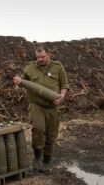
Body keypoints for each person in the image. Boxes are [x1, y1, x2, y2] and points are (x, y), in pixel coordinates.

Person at [13, 45, 69, 173]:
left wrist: (62, 96)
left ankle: (47, 160)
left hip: (52, 106)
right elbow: (24, 84)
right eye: (38, 57)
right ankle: (37, 157)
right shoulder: (29, 68)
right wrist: (19, 83)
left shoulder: (58, 67)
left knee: (51, 134)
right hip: (36, 105)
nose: (40, 59)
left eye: (42, 57)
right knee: (38, 129)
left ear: (49, 55)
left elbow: (65, 85)